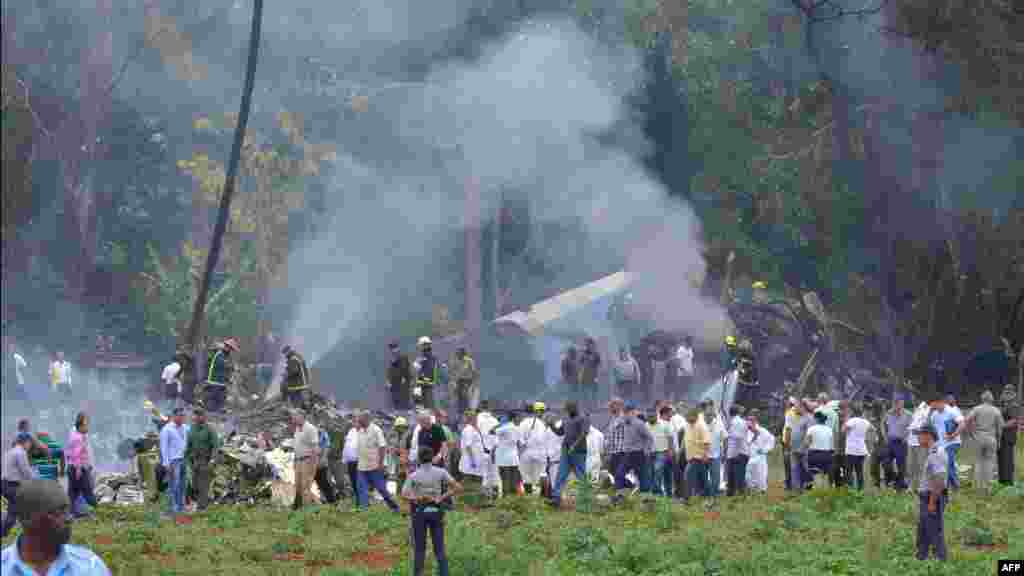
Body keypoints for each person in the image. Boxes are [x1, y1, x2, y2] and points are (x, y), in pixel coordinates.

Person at [0, 479, 112, 575]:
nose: (69, 518)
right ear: (26, 519)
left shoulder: (90, 567)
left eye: (67, 510)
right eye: (58, 512)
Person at [401, 447, 462, 576]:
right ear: (432, 457)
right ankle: (444, 573)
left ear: (419, 459)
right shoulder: (440, 472)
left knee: (419, 549)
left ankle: (418, 573)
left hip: (419, 512)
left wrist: (417, 498)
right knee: (439, 548)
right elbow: (457, 487)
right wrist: (442, 497)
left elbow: (404, 494)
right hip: (436, 511)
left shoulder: (414, 475)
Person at [354, 411, 400, 512]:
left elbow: (382, 447)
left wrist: (381, 463)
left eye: (360, 419)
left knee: (381, 489)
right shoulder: (360, 431)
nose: (358, 421)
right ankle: (364, 510)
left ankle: (395, 507)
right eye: (358, 420)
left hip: (374, 466)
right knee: (361, 488)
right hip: (361, 467)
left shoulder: (376, 430)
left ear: (367, 419)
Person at [914, 423, 947, 561]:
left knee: (934, 530)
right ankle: (921, 557)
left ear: (928, 435)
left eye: (919, 435)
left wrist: (932, 502)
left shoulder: (936, 453)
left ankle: (940, 559)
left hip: (931, 497)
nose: (917, 438)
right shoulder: (933, 452)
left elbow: (939, 479)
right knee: (923, 530)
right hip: (927, 496)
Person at [548, 402, 591, 508]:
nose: (568, 411)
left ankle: (585, 498)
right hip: (566, 450)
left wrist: (574, 446)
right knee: (561, 474)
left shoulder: (583, 418)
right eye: (566, 410)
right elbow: (560, 432)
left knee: (581, 475)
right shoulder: (566, 419)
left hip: (578, 451)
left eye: (569, 409)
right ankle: (556, 498)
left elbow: (584, 433)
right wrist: (551, 425)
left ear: (575, 408)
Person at [963, 390, 1004, 491]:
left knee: (979, 461)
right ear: (992, 399)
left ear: (982, 399)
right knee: (989, 462)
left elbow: (967, 419)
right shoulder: (996, 410)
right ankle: (988, 486)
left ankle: (979, 486)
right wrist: (999, 440)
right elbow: (1000, 427)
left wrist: (970, 433)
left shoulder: (977, 409)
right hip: (991, 438)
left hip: (978, 437)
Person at [612, 403, 653, 503]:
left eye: (627, 412)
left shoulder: (639, 424)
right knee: (619, 473)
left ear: (632, 412)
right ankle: (620, 495)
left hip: (638, 453)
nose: (625, 414)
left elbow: (649, 438)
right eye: (624, 412)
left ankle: (646, 498)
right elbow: (616, 425)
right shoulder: (624, 422)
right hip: (628, 454)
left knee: (642, 476)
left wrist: (647, 450)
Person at [184, 407, 219, 511]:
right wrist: (185, 457)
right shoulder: (192, 429)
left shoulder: (210, 429)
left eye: (198, 415)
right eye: (194, 415)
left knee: (203, 485)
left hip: (205, 461)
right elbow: (188, 445)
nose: (195, 417)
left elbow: (215, 446)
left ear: (203, 417)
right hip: (194, 461)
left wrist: (213, 460)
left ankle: (202, 507)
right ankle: (196, 503)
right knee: (194, 484)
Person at [2, 433, 35, 538]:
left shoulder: (10, 451)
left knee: (18, 508)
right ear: (25, 442)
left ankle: (25, 530)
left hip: (4, 484)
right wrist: (36, 481)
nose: (30, 446)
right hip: (13, 486)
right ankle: (3, 533)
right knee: (14, 512)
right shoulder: (21, 453)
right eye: (30, 443)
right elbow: (26, 472)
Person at [65, 413, 97, 519]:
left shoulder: (74, 433)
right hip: (78, 468)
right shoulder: (78, 438)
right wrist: (79, 470)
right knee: (87, 491)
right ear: (80, 426)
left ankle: (70, 513)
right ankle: (97, 510)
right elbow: (76, 455)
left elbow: (71, 453)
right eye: (85, 425)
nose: (87, 428)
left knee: (73, 492)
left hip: (72, 467)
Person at [158, 408, 189, 517]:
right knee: (173, 486)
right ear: (174, 416)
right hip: (173, 461)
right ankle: (169, 510)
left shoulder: (185, 428)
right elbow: (163, 447)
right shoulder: (167, 429)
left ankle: (181, 508)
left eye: (183, 415)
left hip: (184, 459)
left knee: (182, 485)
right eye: (180, 415)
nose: (182, 417)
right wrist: (166, 463)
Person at [290, 410, 320, 510]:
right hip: (298, 460)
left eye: (295, 416)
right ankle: (298, 507)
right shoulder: (297, 429)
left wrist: (313, 464)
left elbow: (315, 447)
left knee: (305, 486)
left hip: (307, 460)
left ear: (302, 416)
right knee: (298, 485)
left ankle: (307, 509)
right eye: (293, 417)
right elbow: (297, 446)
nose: (293, 419)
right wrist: (295, 461)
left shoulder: (310, 429)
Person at [518, 403, 549, 495]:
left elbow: (520, 440)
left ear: (524, 412)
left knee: (526, 475)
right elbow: (544, 438)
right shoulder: (541, 423)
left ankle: (528, 495)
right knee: (541, 474)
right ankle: (543, 495)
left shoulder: (522, 423)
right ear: (534, 411)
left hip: (526, 452)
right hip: (540, 452)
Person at [842, 405, 874, 491]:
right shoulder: (865, 421)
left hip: (851, 450)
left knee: (849, 471)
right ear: (861, 413)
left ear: (853, 412)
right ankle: (860, 489)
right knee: (859, 471)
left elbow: (843, 430)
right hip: (861, 449)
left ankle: (850, 489)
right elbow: (872, 429)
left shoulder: (852, 420)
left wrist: (846, 420)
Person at [882, 400, 912, 489]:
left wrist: (906, 437)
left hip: (901, 443)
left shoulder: (908, 415)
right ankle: (893, 480)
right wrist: (885, 436)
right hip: (890, 441)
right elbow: (883, 423)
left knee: (901, 465)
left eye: (899, 403)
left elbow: (911, 427)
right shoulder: (889, 413)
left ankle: (900, 485)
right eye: (895, 404)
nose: (897, 406)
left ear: (902, 404)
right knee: (886, 463)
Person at [204, 338, 238, 414]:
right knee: (212, 400)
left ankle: (218, 414)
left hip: (221, 383)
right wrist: (232, 367)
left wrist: (228, 379)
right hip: (214, 381)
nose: (230, 350)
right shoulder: (219, 354)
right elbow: (222, 365)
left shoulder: (226, 356)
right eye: (229, 348)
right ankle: (210, 414)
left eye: (231, 349)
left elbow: (225, 370)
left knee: (221, 400)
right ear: (226, 346)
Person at [491, 414, 522, 497]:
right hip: (514, 458)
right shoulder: (518, 428)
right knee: (513, 481)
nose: (520, 419)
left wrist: (500, 424)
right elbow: (520, 444)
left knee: (505, 480)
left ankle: (506, 499)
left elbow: (491, 431)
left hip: (503, 459)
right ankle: (513, 499)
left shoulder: (504, 428)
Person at [684, 408, 711, 501]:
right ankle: (707, 497)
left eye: (688, 417)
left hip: (698, 457)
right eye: (686, 417)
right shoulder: (688, 425)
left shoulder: (701, 426)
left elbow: (706, 442)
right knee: (702, 479)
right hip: (691, 457)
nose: (686, 418)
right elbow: (686, 439)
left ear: (694, 416)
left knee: (688, 476)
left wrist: (705, 455)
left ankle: (687, 498)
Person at [458, 412, 486, 503]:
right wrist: (473, 460)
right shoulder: (468, 430)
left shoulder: (474, 429)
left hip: (477, 461)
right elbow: (468, 446)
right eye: (476, 418)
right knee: (468, 482)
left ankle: (475, 501)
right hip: (471, 462)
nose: (477, 420)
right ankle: (465, 501)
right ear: (472, 419)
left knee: (476, 482)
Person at [447, 347, 479, 423]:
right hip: (459, 381)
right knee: (458, 398)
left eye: (459, 354)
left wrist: (474, 383)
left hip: (467, 381)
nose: (458, 356)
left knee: (465, 397)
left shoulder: (469, 361)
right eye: (457, 354)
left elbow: (474, 372)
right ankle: (459, 413)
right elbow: (452, 372)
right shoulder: (455, 361)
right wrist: (453, 381)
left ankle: (466, 413)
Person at [650, 404, 676, 497]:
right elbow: (670, 438)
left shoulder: (668, 423)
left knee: (666, 473)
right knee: (659, 472)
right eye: (669, 414)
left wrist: (672, 451)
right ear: (663, 414)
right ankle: (659, 492)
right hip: (659, 452)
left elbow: (671, 438)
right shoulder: (657, 424)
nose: (670, 416)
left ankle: (668, 494)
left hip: (666, 453)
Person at [725, 405, 751, 496]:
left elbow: (738, 438)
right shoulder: (740, 422)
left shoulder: (736, 422)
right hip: (738, 453)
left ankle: (739, 496)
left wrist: (737, 454)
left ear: (730, 413)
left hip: (737, 454)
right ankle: (734, 496)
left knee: (736, 478)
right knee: (736, 477)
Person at [997, 384, 1020, 485]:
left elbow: (1014, 420)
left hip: (1009, 436)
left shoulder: (1014, 406)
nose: (1005, 394)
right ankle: (1002, 480)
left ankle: (1008, 481)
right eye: (1005, 392)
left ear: (1012, 393)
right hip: (1001, 436)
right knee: (1001, 459)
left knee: (1007, 459)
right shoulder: (1003, 405)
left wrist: (1001, 425)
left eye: (1008, 392)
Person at [803, 411, 834, 487]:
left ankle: (817, 490)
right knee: (825, 475)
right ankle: (825, 491)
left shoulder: (811, 429)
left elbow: (807, 443)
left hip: (814, 454)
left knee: (816, 474)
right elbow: (832, 444)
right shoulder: (829, 430)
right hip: (827, 454)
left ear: (816, 419)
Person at [906, 401, 931, 492]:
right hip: (911, 442)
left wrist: (919, 431)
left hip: (922, 442)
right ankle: (910, 486)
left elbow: (929, 426)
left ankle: (922, 487)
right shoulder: (916, 410)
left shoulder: (929, 410)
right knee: (911, 465)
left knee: (921, 465)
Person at [413, 337, 444, 410]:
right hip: (424, 385)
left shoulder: (430, 358)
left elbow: (418, 370)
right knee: (421, 406)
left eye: (422, 346)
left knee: (429, 407)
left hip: (429, 386)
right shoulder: (423, 358)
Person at [941, 394, 964, 491]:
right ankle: (950, 485)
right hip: (950, 442)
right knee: (949, 463)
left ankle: (955, 485)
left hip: (952, 442)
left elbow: (961, 424)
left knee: (949, 464)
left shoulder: (954, 411)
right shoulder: (954, 410)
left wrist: (952, 435)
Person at [746, 414, 774, 493]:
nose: (750, 423)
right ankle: (751, 488)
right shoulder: (746, 431)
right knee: (748, 474)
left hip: (760, 456)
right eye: (748, 421)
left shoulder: (763, 431)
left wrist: (765, 450)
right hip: (749, 456)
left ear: (755, 422)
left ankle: (762, 490)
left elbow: (771, 440)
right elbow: (746, 443)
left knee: (761, 474)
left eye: (752, 421)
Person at [386, 341, 414, 411]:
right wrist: (388, 381)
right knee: (395, 401)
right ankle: (398, 411)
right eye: (391, 348)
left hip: (403, 383)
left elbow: (407, 370)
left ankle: (407, 411)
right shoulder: (391, 360)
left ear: (398, 348)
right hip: (394, 385)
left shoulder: (403, 357)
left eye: (394, 348)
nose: (393, 350)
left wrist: (407, 379)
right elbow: (390, 372)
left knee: (405, 400)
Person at [578, 338, 601, 409]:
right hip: (584, 376)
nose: (589, 346)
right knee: (584, 392)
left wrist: (597, 376)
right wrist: (580, 374)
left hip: (593, 376)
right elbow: (580, 364)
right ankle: (585, 406)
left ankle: (594, 405)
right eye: (587, 344)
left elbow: (599, 365)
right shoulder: (583, 354)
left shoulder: (596, 354)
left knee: (594, 391)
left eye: (591, 344)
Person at [341, 421, 361, 501]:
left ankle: (363, 499)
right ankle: (358, 498)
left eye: (357, 422)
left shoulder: (364, 432)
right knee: (353, 480)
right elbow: (346, 445)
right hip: (350, 461)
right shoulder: (351, 431)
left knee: (360, 481)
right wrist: (344, 459)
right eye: (355, 422)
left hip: (360, 461)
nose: (355, 423)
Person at [781, 397, 798, 490]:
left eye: (787, 402)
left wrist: (787, 444)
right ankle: (791, 483)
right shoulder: (793, 412)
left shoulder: (789, 413)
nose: (785, 403)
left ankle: (789, 484)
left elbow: (788, 429)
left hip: (788, 442)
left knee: (788, 463)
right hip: (793, 441)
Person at [675, 337, 695, 402]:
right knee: (680, 388)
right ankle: (677, 400)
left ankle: (684, 400)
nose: (691, 344)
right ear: (686, 342)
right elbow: (678, 361)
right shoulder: (681, 350)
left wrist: (691, 370)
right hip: (682, 373)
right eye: (689, 342)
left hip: (689, 373)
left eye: (691, 342)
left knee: (686, 388)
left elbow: (690, 360)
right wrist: (683, 370)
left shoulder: (690, 349)